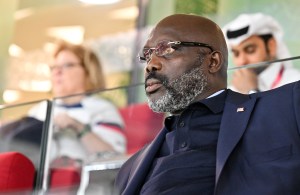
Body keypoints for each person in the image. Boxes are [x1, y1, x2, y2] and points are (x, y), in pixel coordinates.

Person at [115, 13, 300, 194]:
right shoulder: (129, 170)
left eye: (167, 49)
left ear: (212, 61)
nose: (150, 65)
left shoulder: (286, 107)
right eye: (147, 55)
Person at [27, 41, 126, 164]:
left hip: (86, 182)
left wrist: (78, 127)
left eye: (67, 65)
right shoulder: (39, 110)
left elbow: (114, 159)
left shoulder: (103, 109)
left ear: (88, 72)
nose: (57, 72)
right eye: (54, 67)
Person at [222, 12, 300, 94]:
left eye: (250, 50)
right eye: (236, 53)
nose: (242, 61)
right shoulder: (233, 89)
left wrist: (251, 91)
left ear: (271, 46)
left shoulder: (295, 82)